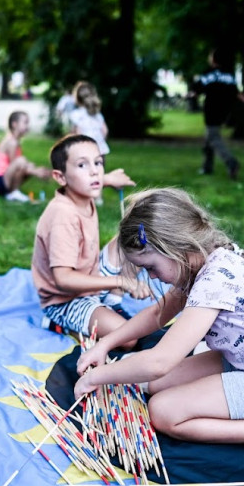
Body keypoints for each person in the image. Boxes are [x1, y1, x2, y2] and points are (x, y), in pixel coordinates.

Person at [74, 187, 244, 445]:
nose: (151, 276)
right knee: (154, 384)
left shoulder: (215, 281)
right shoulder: (202, 261)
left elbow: (159, 361)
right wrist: (105, 344)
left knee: (163, 411)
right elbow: (157, 313)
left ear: (175, 247)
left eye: (150, 267)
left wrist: (96, 377)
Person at [32, 134, 150, 343]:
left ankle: (111, 303)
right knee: (128, 339)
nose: (94, 171)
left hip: (91, 277)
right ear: (60, 177)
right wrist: (121, 281)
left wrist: (109, 179)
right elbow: (64, 279)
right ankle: (59, 324)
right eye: (82, 165)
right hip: (65, 301)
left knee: (137, 235)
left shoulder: (82, 190)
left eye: (98, 162)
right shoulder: (63, 216)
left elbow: (90, 178)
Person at [189, 48, 244, 179]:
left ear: (213, 59)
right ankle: (207, 167)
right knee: (209, 137)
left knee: (213, 138)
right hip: (223, 112)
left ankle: (231, 162)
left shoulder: (208, 74)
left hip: (210, 111)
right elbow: (238, 94)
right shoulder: (228, 75)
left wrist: (190, 95)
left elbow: (195, 91)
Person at [0, 111, 52, 203]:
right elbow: (17, 165)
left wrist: (34, 169)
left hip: (4, 178)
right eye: (25, 122)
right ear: (14, 124)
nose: (27, 126)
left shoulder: (15, 141)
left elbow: (21, 167)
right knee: (22, 161)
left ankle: (13, 192)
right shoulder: (11, 142)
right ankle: (13, 193)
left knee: (29, 164)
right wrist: (36, 172)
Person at [68, 81, 110, 159]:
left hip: (84, 147)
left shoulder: (76, 114)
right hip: (99, 147)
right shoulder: (97, 114)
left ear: (77, 98)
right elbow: (105, 130)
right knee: (100, 168)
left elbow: (77, 132)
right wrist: (100, 141)